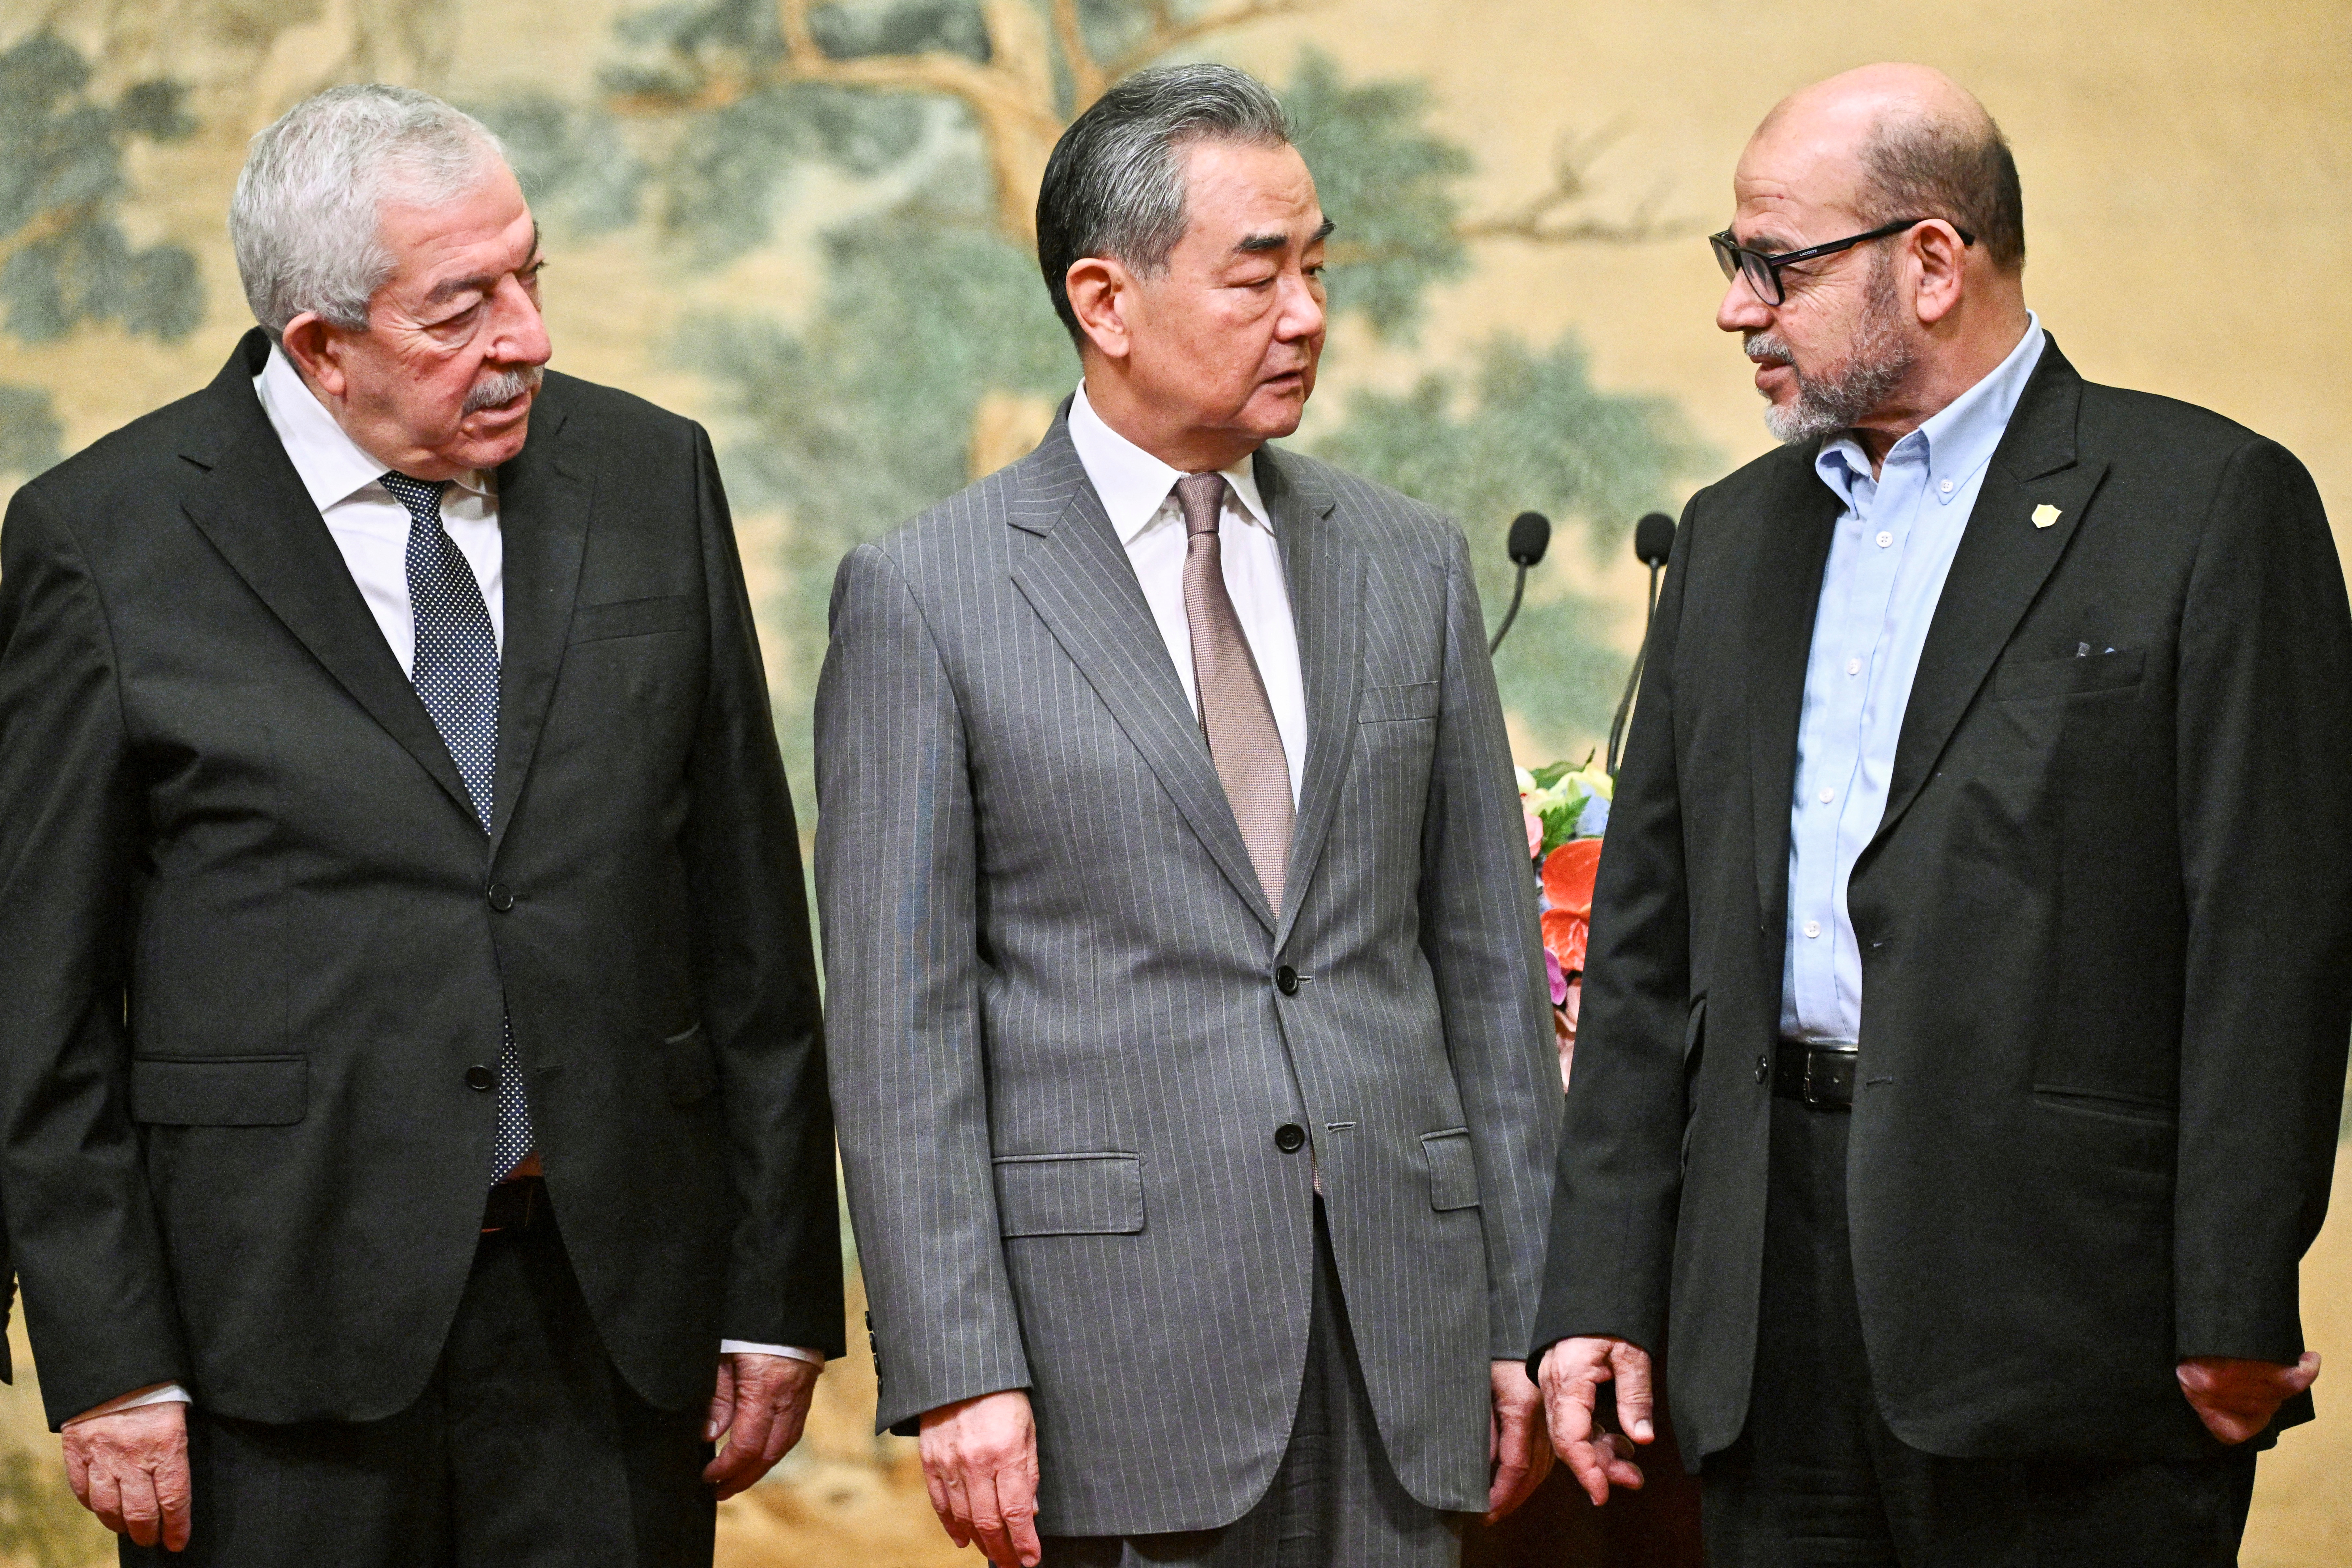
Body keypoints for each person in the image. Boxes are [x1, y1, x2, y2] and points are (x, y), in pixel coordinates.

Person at [0, 84, 843, 1565]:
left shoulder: (651, 474)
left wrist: (773, 1292)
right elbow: (38, 996)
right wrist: (114, 1357)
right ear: (318, 344)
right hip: (267, 1347)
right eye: (463, 306)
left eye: (532, 274)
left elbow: (748, 927)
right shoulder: (104, 538)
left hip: (610, 1325)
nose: (528, 336)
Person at [1529, 62, 2352, 1567]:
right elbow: (1649, 957)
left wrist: (2237, 1296)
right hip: (1761, 1307)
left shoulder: (2205, 506)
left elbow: (2270, 935)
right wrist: (1597, 1285)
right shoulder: (1730, 538)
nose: (1737, 307)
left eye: (1776, 264)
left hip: (2067, 1322)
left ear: (1929, 261)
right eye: (1734, 263)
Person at [816, 62, 1562, 1568]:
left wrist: (1524, 1306)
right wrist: (960, 1363)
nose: (1306, 312)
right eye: (1257, 272)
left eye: (1317, 263)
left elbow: (1483, 962)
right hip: (1118, 1359)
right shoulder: (929, 594)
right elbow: (900, 1031)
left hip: (1403, 1344)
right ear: (1104, 299)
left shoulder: (1405, 562)